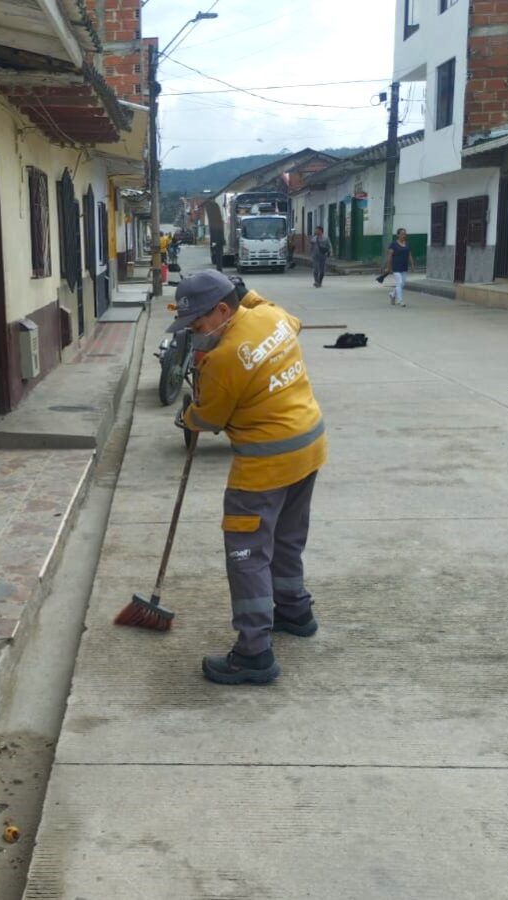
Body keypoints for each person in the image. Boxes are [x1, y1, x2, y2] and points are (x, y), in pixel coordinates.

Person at [170, 270, 326, 686]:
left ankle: (254, 652)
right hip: (308, 446)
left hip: (265, 463)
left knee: (247, 553)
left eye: (199, 324)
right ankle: (294, 611)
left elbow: (210, 418)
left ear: (223, 309)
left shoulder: (222, 360)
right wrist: (246, 295)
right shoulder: (272, 316)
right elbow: (285, 318)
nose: (196, 334)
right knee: (288, 536)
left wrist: (186, 415)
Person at [385, 228, 411, 306]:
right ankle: (400, 301)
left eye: (405, 234)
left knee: (402, 284)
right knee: (399, 282)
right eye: (402, 234)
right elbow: (389, 256)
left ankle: (392, 295)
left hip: (404, 267)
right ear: (398, 235)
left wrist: (412, 265)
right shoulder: (393, 244)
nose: (404, 235)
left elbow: (409, 255)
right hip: (396, 267)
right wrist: (388, 267)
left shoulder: (407, 244)